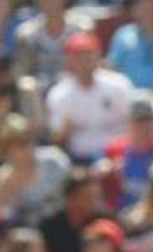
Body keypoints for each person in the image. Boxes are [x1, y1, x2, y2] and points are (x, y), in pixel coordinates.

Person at [45, 33, 134, 166]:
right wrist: (64, 132)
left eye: (88, 54)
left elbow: (135, 122)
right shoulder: (59, 94)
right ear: (69, 60)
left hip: (118, 156)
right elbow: (57, 140)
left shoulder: (119, 85)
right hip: (79, 159)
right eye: (78, 56)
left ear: (98, 56)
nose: (84, 60)